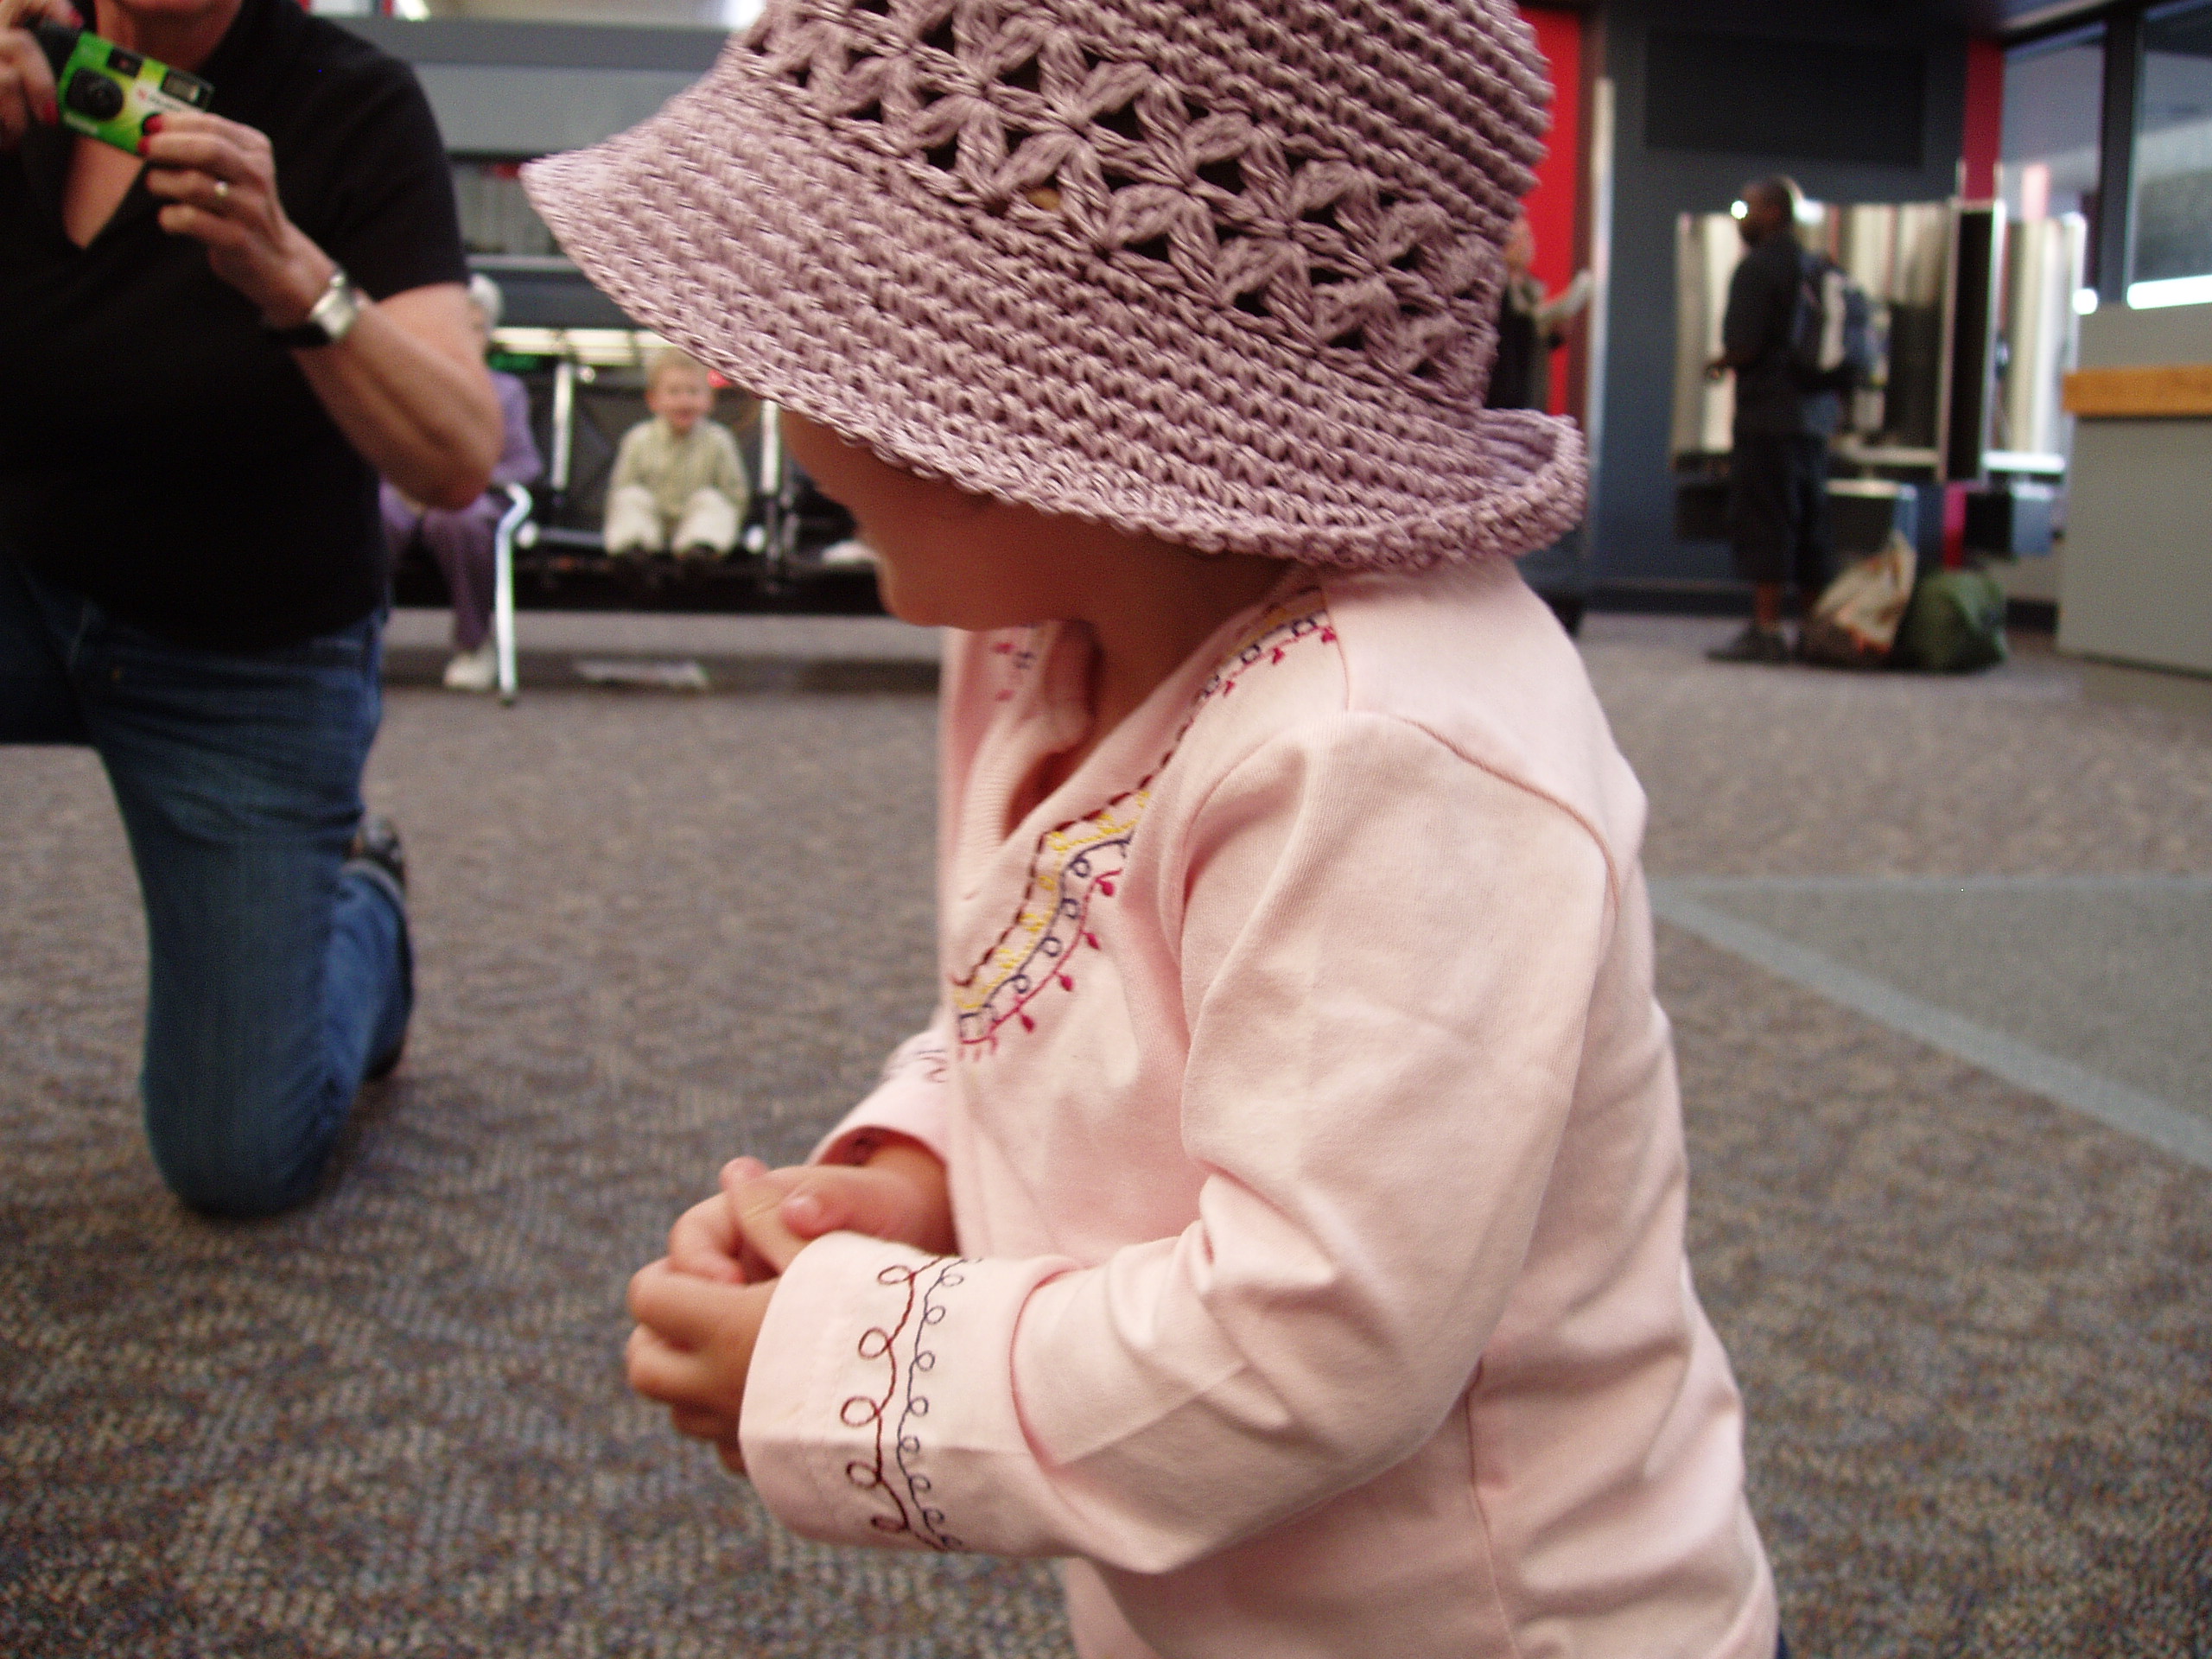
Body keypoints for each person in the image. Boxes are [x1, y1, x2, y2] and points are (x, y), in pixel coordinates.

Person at [528, 1, 1782, 1654]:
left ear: (1021, 380)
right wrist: (920, 1174)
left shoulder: (1389, 742)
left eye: (804, 336)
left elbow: (1316, 1338)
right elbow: (1067, 1004)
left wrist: (845, 1373)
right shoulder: (1040, 622)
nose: (759, 390)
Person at [0, 0, 501, 1216]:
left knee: (236, 1159)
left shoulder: (348, 100)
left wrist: (294, 273)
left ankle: (365, 908)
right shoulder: (26, 55)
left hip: (244, 650)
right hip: (29, 580)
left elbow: (454, 461)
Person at [381, 272, 543, 692]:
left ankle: (474, 645)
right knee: (377, 514)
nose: (467, 338)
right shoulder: (406, 383)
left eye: (477, 328)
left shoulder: (506, 392)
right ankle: (361, 636)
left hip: (470, 497)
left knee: (459, 520)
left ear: (488, 336)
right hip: (403, 492)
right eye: (456, 328)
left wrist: (457, 482)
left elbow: (524, 465)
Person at [1707, 176, 1840, 664]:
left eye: (1748, 208)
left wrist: (1719, 363)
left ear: (1773, 212)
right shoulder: (1814, 265)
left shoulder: (1757, 268)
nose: (1740, 217)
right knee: (1810, 524)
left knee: (1766, 520)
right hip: (1814, 418)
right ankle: (1812, 631)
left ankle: (1766, 629)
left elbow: (1744, 343)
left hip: (1767, 417)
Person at [602, 348, 750, 559]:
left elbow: (735, 496)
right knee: (631, 497)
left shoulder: (720, 440)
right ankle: (633, 552)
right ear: (653, 399)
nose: (684, 401)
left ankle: (700, 553)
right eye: (674, 392)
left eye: (693, 391)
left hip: (699, 526)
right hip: (649, 525)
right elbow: (619, 489)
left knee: (714, 500)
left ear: (710, 399)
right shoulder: (637, 438)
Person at [1488, 210, 1592, 413]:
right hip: (1500, 396)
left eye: (1527, 237)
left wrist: (1555, 332)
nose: (1524, 245)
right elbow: (1509, 335)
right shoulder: (1493, 287)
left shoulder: (1532, 289)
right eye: (1516, 238)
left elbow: (1533, 342)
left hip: (1532, 393)